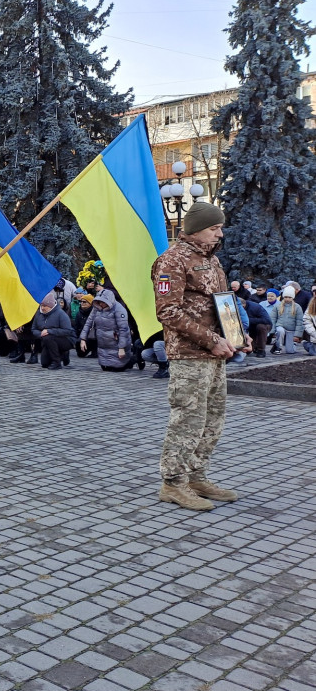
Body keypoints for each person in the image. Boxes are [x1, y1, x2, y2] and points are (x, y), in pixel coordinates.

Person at [151, 202, 242, 511]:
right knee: (187, 419)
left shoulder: (212, 261)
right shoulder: (172, 261)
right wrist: (212, 340)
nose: (220, 233)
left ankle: (196, 476)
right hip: (190, 354)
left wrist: (235, 336)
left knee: (213, 418)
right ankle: (173, 484)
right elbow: (168, 311)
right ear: (196, 229)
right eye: (214, 228)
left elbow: (222, 303)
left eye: (220, 228)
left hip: (215, 353)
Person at [79, 290, 134, 371]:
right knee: (106, 368)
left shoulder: (119, 309)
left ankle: (132, 360)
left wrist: (122, 348)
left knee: (117, 368)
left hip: (116, 342)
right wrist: (83, 339)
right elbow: (88, 323)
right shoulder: (96, 308)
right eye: (99, 301)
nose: (100, 304)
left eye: (102, 302)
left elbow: (123, 330)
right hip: (103, 342)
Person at [31, 291, 74, 369]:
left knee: (48, 337)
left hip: (66, 339)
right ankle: (60, 354)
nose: (43, 308)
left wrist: (49, 331)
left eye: (45, 306)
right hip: (46, 340)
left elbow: (67, 330)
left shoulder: (61, 314)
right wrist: (40, 333)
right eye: (41, 305)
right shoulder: (38, 314)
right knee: (44, 364)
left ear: (51, 306)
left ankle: (57, 362)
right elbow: (34, 329)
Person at [271, 286, 305, 355]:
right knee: (280, 331)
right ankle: (278, 347)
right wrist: (272, 330)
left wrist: (297, 335)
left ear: (293, 297)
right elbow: (273, 318)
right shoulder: (278, 306)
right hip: (280, 326)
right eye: (286, 297)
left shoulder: (297, 307)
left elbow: (299, 321)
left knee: (290, 351)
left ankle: (293, 344)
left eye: (289, 297)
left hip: (291, 329)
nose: (287, 299)